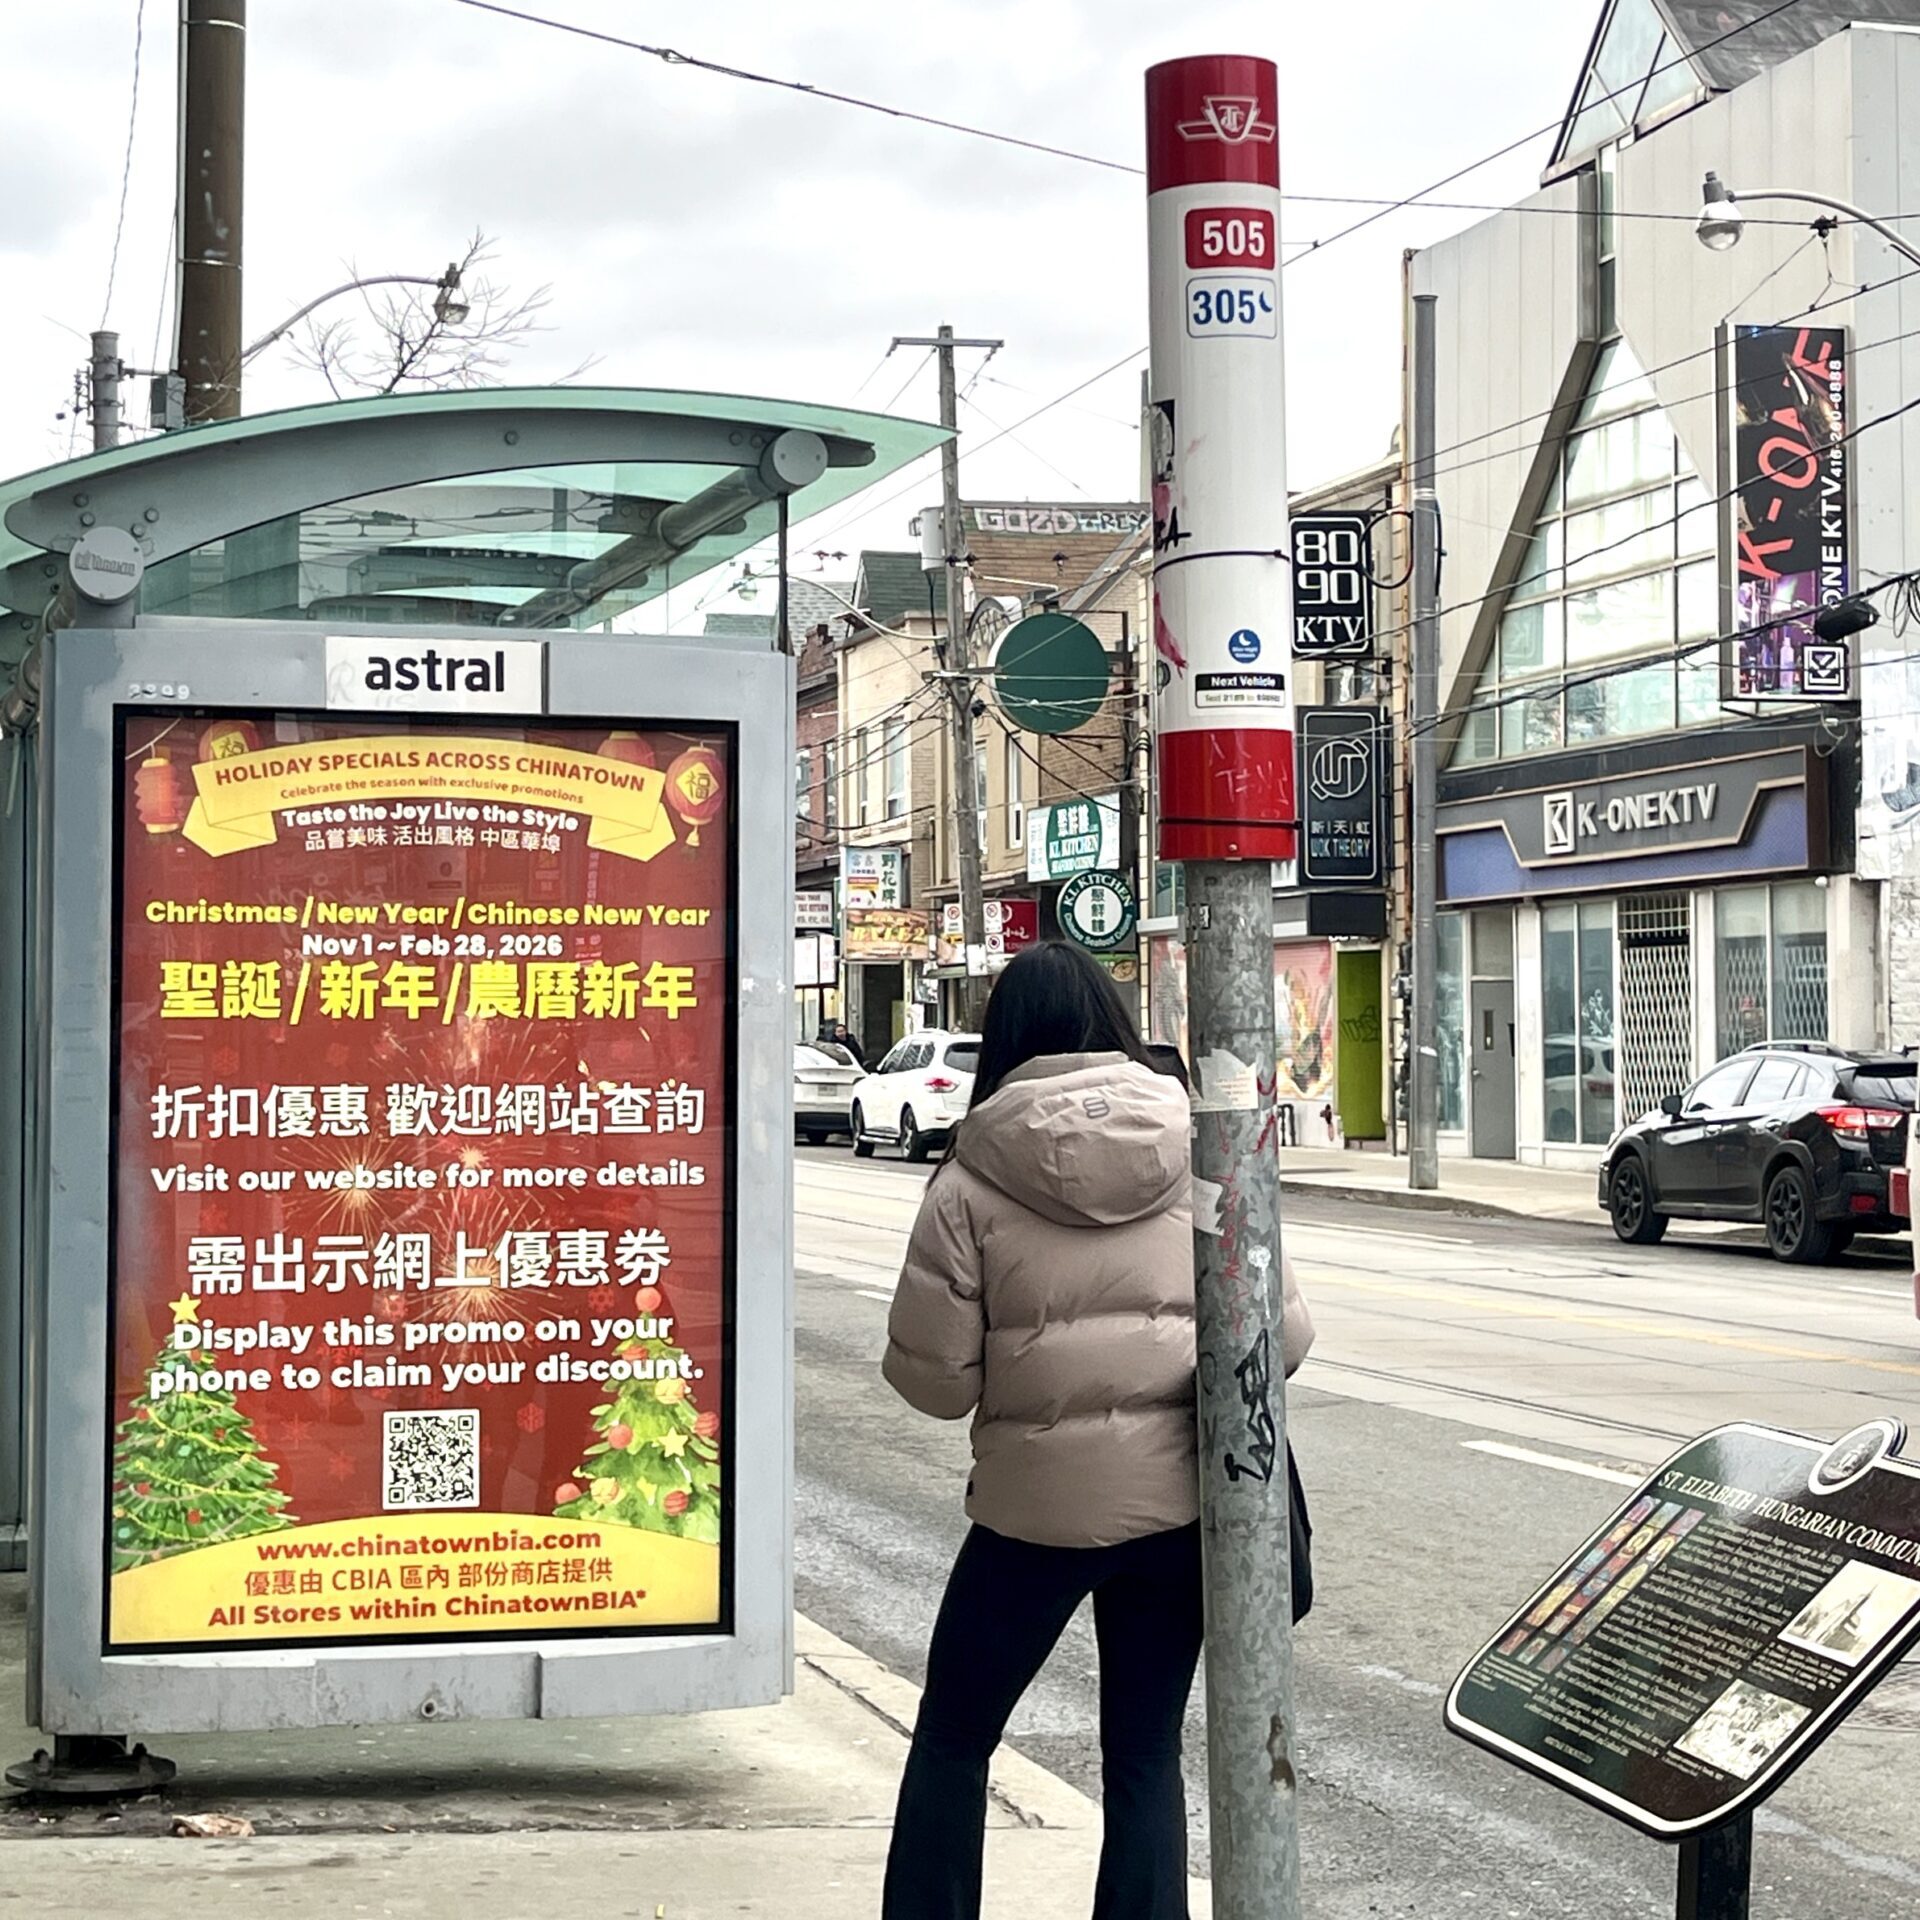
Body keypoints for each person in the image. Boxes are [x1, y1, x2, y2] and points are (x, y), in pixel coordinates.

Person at [880, 941, 1311, 1920]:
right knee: (1144, 1753)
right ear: (1114, 1027)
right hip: (1175, 1515)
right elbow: (1279, 1338)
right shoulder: (1207, 1148)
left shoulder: (966, 1181)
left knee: (954, 1735)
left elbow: (938, 1386)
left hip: (1033, 1519)